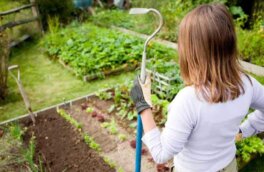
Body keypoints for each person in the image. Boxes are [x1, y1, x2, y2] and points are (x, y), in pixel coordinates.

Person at [130, 3, 264, 172]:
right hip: (229, 167)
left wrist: (143, 106)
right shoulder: (246, 83)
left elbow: (162, 154)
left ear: (192, 51)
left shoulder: (189, 100)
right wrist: (244, 130)